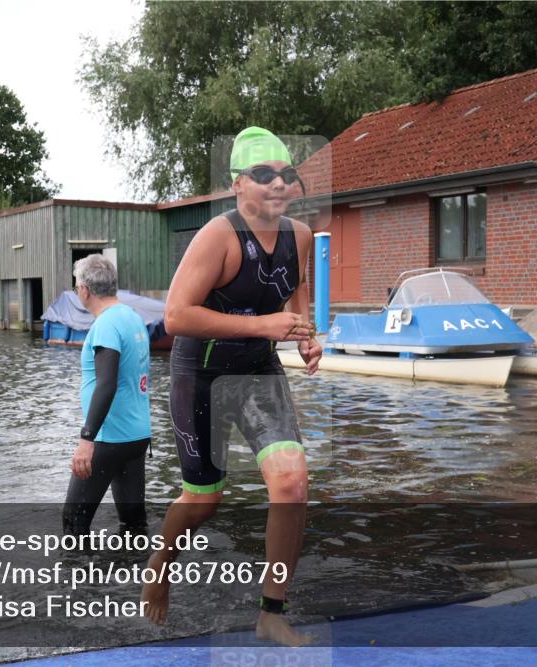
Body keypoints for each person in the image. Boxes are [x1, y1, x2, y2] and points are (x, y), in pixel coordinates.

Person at [141, 126, 322, 646]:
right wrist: (264, 325)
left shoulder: (301, 236)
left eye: (287, 175)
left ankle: (272, 611)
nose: (278, 185)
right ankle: (160, 564)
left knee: (291, 484)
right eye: (263, 175)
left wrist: (304, 333)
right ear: (238, 185)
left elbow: (296, 289)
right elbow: (176, 317)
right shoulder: (217, 237)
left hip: (259, 370)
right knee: (205, 500)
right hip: (202, 373)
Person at [63, 254, 152, 540]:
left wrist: (86, 439)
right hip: (136, 436)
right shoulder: (132, 318)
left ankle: (81, 584)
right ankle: (136, 578)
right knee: (134, 524)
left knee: (73, 524)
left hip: (108, 439)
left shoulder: (105, 325)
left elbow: (106, 384)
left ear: (85, 290)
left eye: (78, 285)